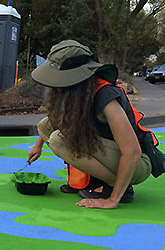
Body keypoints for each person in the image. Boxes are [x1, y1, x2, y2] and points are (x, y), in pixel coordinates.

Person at [27, 39, 153, 209]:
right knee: (45, 125)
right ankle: (97, 182)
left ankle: (118, 188)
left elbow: (132, 152)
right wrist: (38, 146)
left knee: (58, 140)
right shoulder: (79, 94)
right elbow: (50, 123)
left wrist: (112, 200)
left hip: (136, 165)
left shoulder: (106, 97)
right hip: (110, 154)